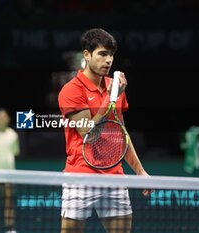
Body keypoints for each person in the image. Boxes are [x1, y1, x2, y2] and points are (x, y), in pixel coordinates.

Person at [58, 28, 151, 233]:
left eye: (111, 55)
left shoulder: (115, 87)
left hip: (114, 177)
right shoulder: (71, 91)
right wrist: (109, 100)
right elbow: (88, 135)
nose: (108, 60)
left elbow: (120, 133)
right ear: (87, 55)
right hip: (80, 178)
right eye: (102, 54)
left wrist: (140, 171)